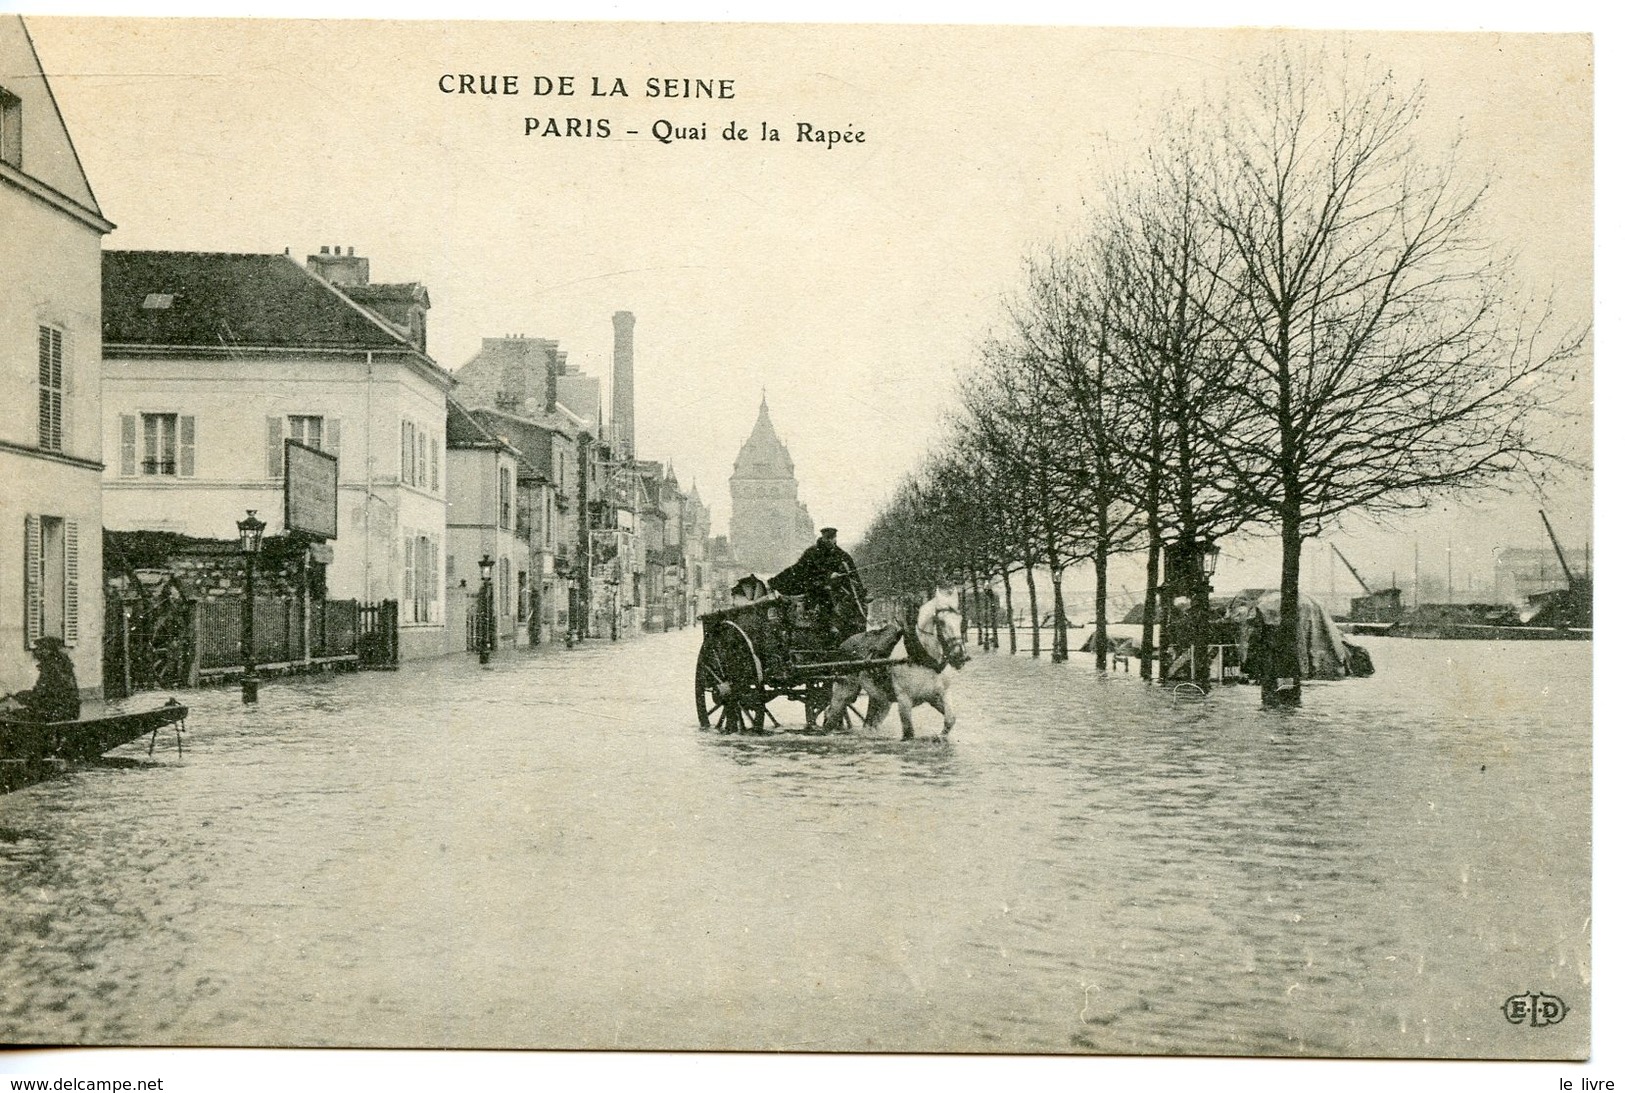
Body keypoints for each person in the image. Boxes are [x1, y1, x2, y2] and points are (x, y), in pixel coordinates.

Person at [2, 638, 81, 723]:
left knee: (9, 717)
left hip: (56, 713)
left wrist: (19, 695)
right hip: (69, 712)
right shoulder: (62, 665)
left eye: (40, 648)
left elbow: (41, 697)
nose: (35, 651)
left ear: (48, 650)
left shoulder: (51, 669)